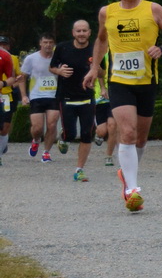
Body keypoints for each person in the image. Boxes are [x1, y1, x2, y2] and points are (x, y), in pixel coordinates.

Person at [85, 0, 162, 212]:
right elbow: (101, 40)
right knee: (126, 132)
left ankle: (126, 176)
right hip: (120, 81)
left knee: (140, 137)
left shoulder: (153, 9)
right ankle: (132, 189)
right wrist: (95, 68)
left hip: (147, 81)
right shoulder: (107, 12)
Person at [51, 20, 98, 181]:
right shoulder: (62, 48)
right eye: (78, 31)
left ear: (89, 32)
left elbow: (104, 71)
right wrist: (59, 71)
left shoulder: (95, 49)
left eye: (84, 31)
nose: (81, 34)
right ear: (73, 33)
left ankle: (79, 169)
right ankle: (63, 138)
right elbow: (52, 67)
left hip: (87, 98)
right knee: (71, 133)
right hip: (66, 97)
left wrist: (95, 71)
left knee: (86, 134)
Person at [21, 33, 61, 162]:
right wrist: (24, 96)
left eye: (50, 42)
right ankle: (36, 140)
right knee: (37, 128)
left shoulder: (59, 58)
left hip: (54, 95)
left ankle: (46, 152)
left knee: (52, 123)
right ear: (40, 43)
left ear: (53, 44)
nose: (48, 45)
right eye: (45, 42)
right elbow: (22, 78)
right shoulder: (31, 59)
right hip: (36, 96)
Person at [0, 36, 20, 165]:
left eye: (4, 44)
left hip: (5, 96)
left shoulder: (7, 57)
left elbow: (14, 78)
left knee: (3, 128)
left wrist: (3, 83)